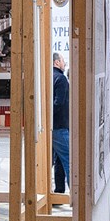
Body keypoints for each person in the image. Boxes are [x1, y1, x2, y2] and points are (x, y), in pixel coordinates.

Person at [51, 52, 70, 194]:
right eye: (63, 61)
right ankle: (76, 194)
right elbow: (59, 103)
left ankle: (59, 191)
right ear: (57, 62)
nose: (64, 64)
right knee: (69, 159)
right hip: (60, 126)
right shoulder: (61, 78)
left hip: (51, 126)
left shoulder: (48, 77)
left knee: (59, 160)